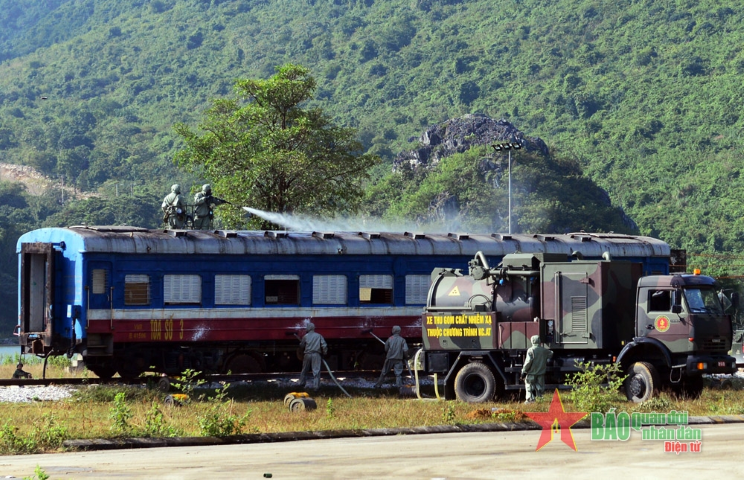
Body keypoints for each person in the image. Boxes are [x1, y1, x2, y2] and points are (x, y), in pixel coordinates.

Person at [521, 335, 552, 403]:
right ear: (539, 341)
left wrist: (524, 371)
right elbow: (551, 354)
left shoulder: (531, 350)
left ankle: (530, 400)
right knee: (540, 387)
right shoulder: (544, 350)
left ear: (532, 341)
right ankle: (540, 399)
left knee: (529, 386)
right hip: (541, 373)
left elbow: (528, 362)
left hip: (531, 373)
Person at [297, 323, 327, 390]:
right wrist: (324, 353)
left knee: (304, 370)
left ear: (309, 328)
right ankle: (316, 387)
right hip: (316, 355)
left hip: (307, 354)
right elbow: (324, 345)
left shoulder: (305, 336)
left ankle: (301, 384)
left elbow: (301, 346)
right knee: (316, 371)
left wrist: (301, 345)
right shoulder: (319, 336)